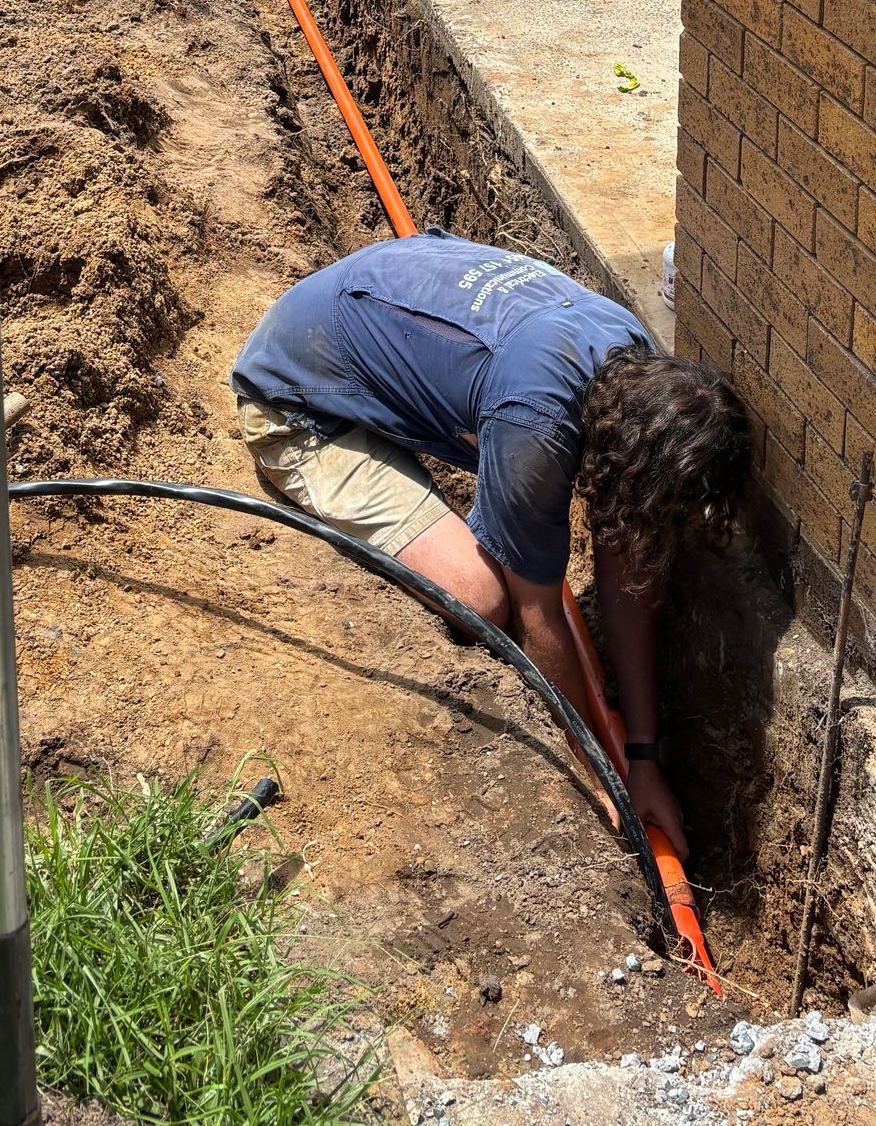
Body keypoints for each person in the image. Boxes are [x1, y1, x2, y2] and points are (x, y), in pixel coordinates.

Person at [231, 229, 751, 856]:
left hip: (382, 304)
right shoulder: (533, 426)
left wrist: (643, 754)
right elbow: (540, 618)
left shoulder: (632, 360)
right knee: (482, 597)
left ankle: (398, 411)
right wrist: (600, 768)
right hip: (299, 402)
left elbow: (629, 572)